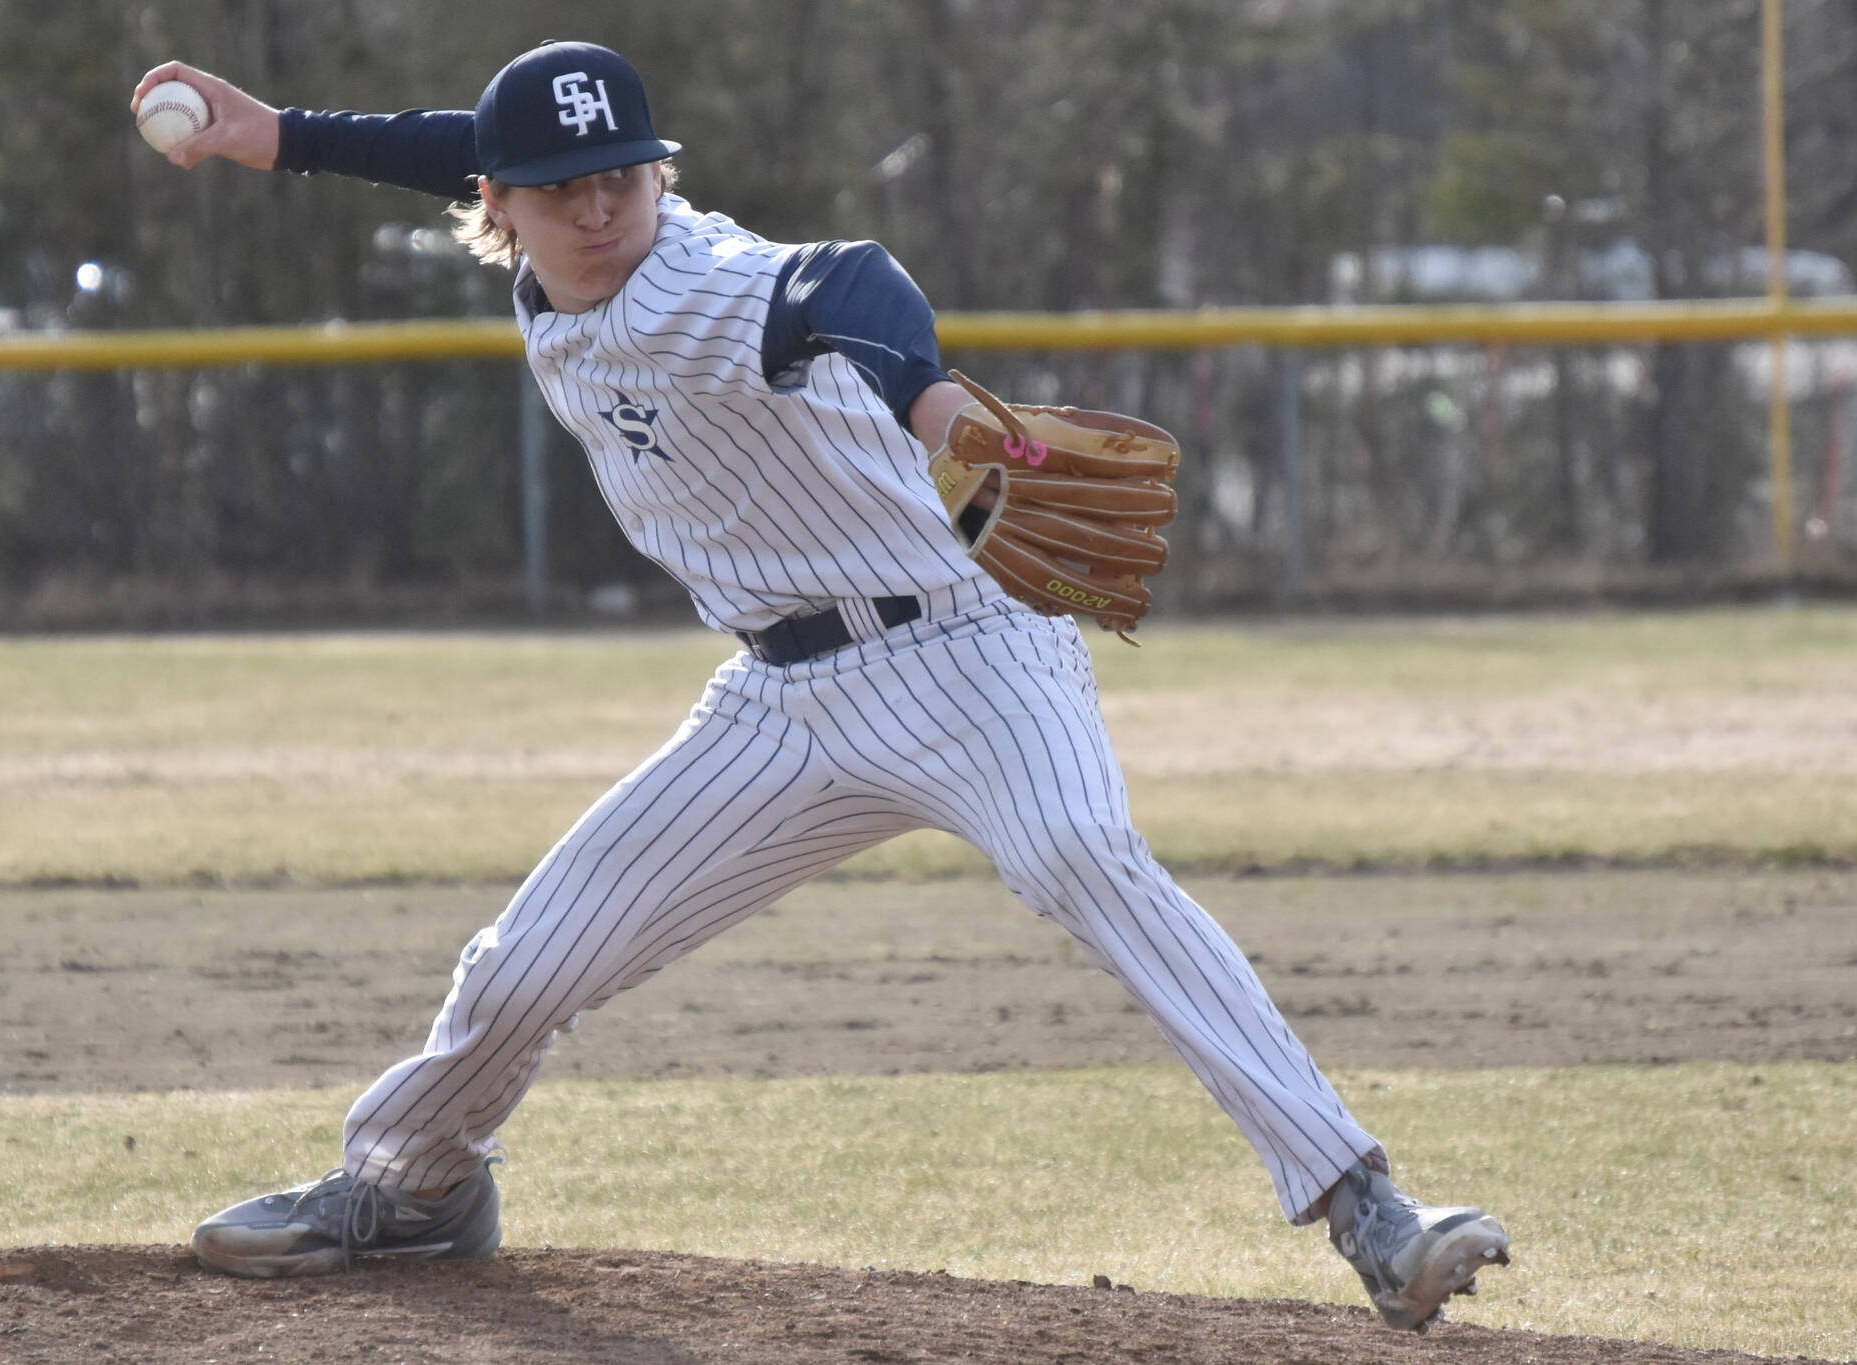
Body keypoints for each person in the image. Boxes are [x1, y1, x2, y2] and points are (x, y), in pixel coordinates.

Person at [131, 40, 1509, 1332]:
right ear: (500, 204)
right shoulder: (536, 231)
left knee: (1082, 849)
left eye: (626, 173)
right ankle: (419, 1185)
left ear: (662, 175)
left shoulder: (700, 282)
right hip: (780, 701)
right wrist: (279, 137)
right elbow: (459, 145)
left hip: (973, 648)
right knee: (526, 961)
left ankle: (1364, 1204)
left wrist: (932, 407)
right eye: (564, 187)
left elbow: (851, 282)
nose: (602, 206)